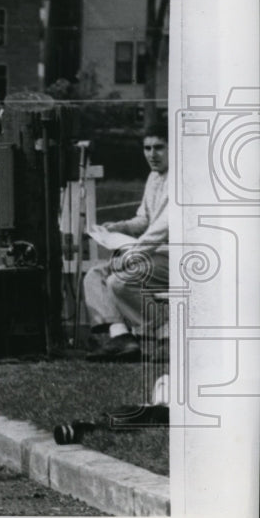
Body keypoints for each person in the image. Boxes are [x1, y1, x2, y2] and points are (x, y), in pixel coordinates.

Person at [84, 126, 170, 361]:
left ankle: (165, 333)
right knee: (94, 275)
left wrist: (134, 254)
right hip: (153, 253)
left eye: (159, 147)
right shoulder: (154, 177)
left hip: (177, 257)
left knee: (120, 282)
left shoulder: (183, 178)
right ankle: (120, 336)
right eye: (147, 148)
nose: (152, 154)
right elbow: (144, 219)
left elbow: (164, 227)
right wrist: (118, 227)